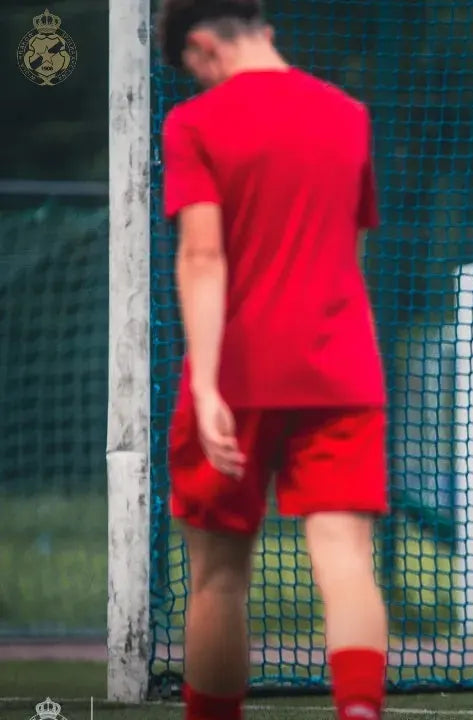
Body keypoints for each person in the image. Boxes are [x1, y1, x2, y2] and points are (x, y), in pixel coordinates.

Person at [158, 2, 389, 718]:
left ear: (201, 46)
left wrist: (205, 386)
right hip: (341, 368)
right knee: (348, 563)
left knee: (219, 580)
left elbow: (202, 254)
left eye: (191, 69)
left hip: (235, 374)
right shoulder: (349, 115)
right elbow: (349, 253)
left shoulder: (195, 123)